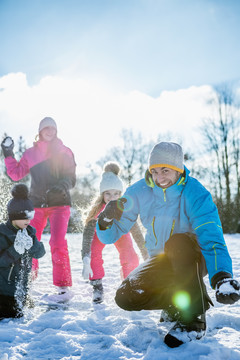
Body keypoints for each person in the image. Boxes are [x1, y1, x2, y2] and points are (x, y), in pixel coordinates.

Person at [96, 142, 240, 348]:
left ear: (178, 169)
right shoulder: (139, 192)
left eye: (165, 170)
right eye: (154, 171)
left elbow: (212, 236)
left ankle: (193, 320)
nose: (159, 177)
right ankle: (176, 304)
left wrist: (222, 276)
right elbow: (111, 235)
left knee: (178, 241)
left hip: (193, 257)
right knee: (126, 297)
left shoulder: (195, 193)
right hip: (162, 260)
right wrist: (106, 221)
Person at [1, 117, 76, 298]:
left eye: (52, 128)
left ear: (56, 131)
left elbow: (71, 177)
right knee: (29, 240)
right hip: (37, 203)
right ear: (40, 131)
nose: (49, 131)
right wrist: (9, 155)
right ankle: (28, 276)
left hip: (60, 203)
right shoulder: (30, 153)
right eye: (46, 128)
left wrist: (63, 186)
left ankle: (63, 286)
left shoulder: (64, 151)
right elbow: (16, 174)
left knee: (57, 242)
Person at [81, 161, 148, 304]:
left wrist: (146, 253)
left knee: (129, 253)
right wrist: (86, 258)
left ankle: (129, 282)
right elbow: (87, 237)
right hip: (101, 233)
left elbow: (137, 234)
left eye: (116, 194)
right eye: (108, 194)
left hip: (120, 233)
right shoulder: (96, 212)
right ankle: (97, 286)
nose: (112, 198)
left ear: (121, 194)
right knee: (95, 252)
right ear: (102, 195)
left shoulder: (126, 210)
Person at [0, 184, 45, 319]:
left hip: (22, 288)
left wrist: (31, 245)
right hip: (3, 290)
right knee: (11, 315)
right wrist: (15, 250)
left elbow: (40, 253)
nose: (28, 220)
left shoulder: (30, 232)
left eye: (30, 216)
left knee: (22, 312)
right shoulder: (2, 234)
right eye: (24, 217)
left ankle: (22, 299)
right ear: (14, 217)